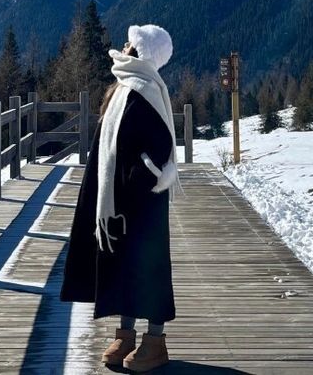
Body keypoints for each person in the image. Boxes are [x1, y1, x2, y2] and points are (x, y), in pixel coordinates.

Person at [60, 23, 183, 372]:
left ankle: (155, 342)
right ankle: (126, 335)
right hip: (118, 198)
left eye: (131, 43)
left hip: (141, 200)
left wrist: (137, 181)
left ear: (140, 53)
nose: (124, 46)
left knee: (149, 268)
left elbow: (159, 149)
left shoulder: (145, 90)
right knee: (126, 265)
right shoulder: (125, 87)